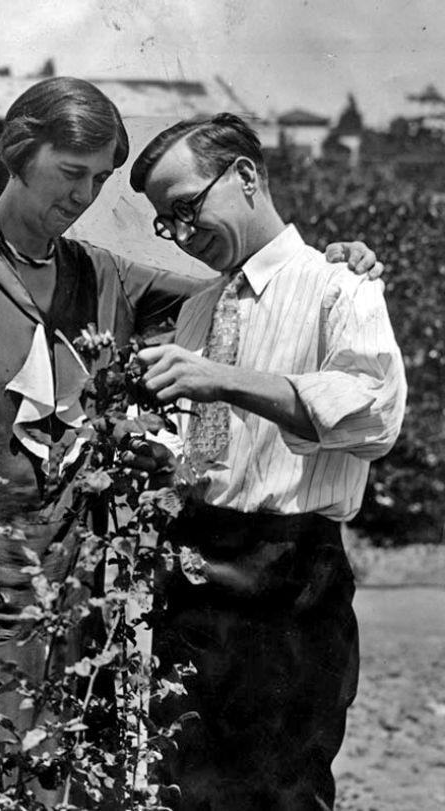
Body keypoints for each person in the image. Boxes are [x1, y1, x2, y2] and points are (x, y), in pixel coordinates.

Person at [0, 78, 383, 811]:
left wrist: (331, 261)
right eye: (72, 172)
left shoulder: (102, 275)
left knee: (53, 769)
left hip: (66, 587)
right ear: (19, 153)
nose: (85, 196)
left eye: (99, 179)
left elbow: (242, 280)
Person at [128, 113, 407, 811]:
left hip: (290, 574)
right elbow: (196, 447)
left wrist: (223, 381)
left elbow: (373, 414)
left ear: (246, 176)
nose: (182, 234)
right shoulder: (197, 309)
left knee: (281, 793)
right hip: (194, 569)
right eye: (166, 223)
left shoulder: (339, 287)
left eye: (187, 207)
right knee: (185, 786)